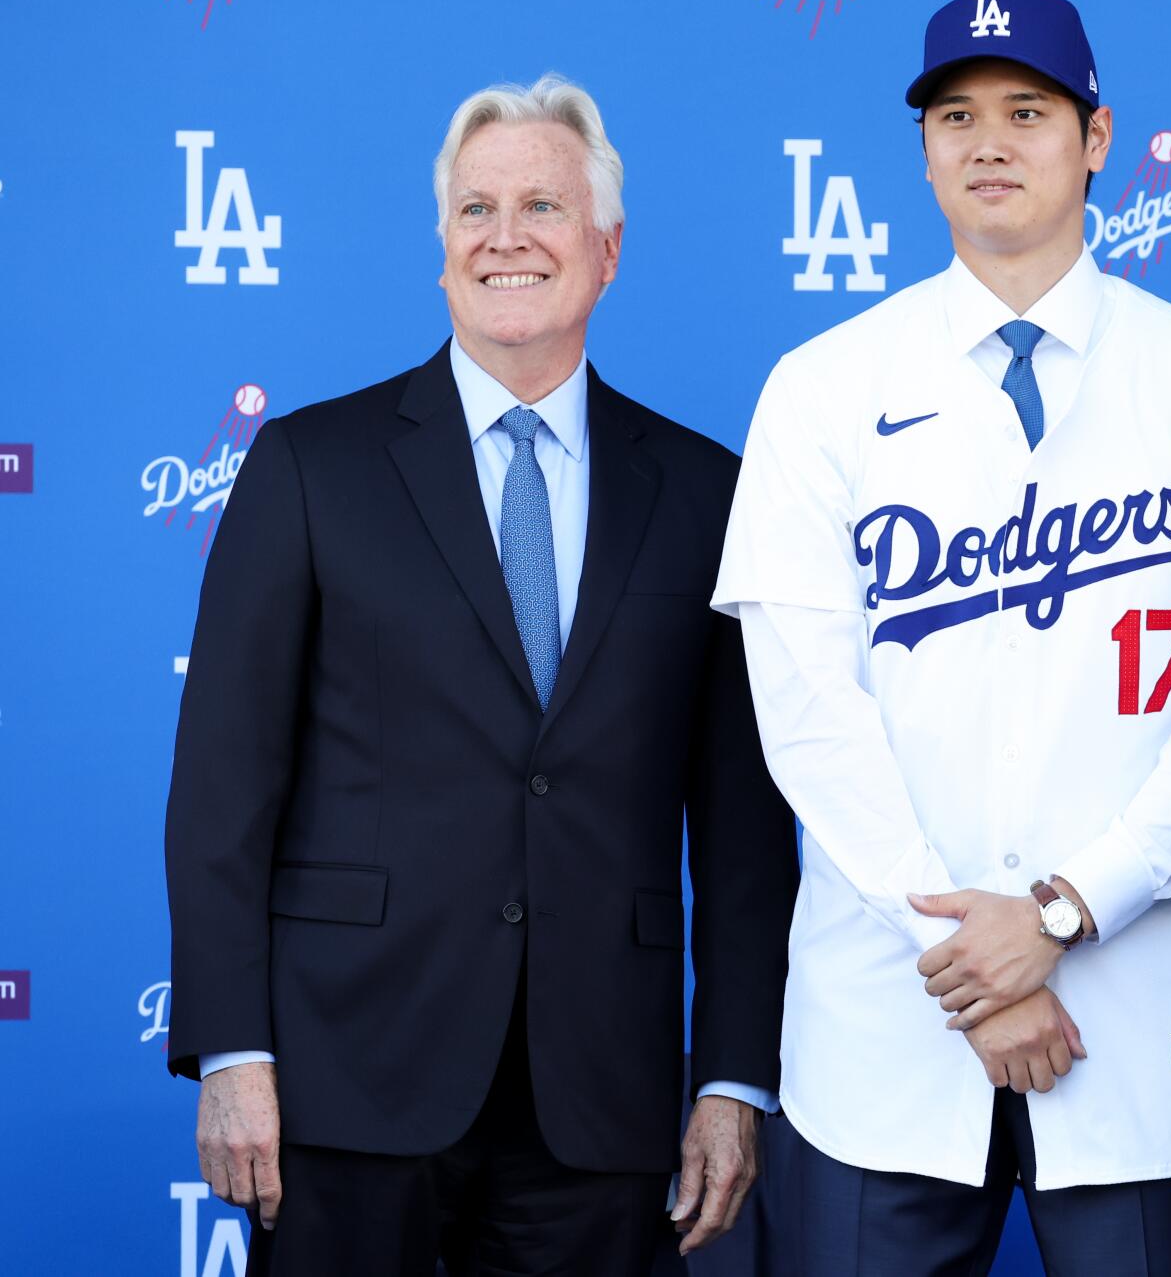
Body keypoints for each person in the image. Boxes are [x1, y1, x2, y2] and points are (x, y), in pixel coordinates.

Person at [710, 0, 1171, 1276]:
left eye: (1027, 111)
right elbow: (810, 719)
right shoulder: (823, 388)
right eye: (955, 114)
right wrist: (974, 959)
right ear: (925, 145)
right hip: (888, 1028)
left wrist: (1058, 913)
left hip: (1135, 1026)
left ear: (1096, 138)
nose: (988, 141)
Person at [164, 74, 797, 1277]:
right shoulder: (310, 466)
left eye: (542, 207)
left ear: (606, 249)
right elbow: (220, 792)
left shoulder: (707, 492)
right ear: (443, 250)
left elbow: (744, 829)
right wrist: (232, 1052)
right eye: (475, 209)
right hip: (346, 1080)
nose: (506, 236)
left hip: (604, 1096)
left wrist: (728, 1076)